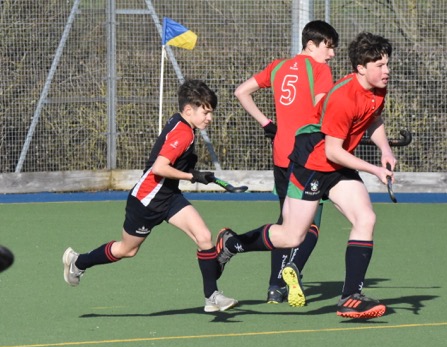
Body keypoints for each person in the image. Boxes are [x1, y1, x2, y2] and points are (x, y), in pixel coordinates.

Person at [214, 32, 396, 319]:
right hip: (312, 163)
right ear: (361, 68)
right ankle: (232, 243)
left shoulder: (377, 90)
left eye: (387, 64)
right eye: (380, 65)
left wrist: (385, 149)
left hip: (336, 166)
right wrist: (374, 169)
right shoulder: (343, 97)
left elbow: (373, 119)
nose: (387, 71)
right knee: (291, 236)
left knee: (366, 218)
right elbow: (333, 151)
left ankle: (350, 297)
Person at [62, 79, 237, 313]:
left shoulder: (182, 123)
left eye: (211, 112)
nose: (210, 118)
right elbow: (159, 168)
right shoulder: (183, 133)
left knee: (204, 236)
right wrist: (192, 176)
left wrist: (192, 171)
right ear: (188, 110)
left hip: (169, 197)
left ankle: (212, 296)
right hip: (146, 201)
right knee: (127, 250)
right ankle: (78, 261)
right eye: (206, 112)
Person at [234, 20, 339, 306]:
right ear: (312, 45)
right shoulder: (320, 70)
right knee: (310, 222)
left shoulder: (278, 66)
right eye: (329, 47)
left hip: (281, 154)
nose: (331, 54)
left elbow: (241, 91)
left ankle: (274, 287)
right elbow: (324, 111)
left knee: (284, 222)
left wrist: (267, 124)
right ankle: (293, 267)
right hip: (308, 156)